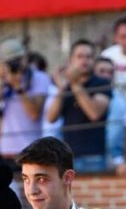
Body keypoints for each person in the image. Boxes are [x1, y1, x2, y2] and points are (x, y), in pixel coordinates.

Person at [46, 39, 111, 172]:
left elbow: (94, 113)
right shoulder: (66, 86)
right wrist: (62, 88)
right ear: (71, 60)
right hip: (68, 157)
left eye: (89, 57)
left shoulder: (101, 83)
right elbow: (51, 118)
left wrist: (75, 84)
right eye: (80, 56)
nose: (85, 60)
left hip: (94, 156)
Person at [0, 41, 50, 160]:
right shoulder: (3, 79)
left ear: (25, 58)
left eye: (17, 59)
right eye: (10, 61)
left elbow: (34, 114)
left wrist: (18, 87)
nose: (15, 64)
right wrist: (1, 81)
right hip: (6, 150)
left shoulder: (39, 78)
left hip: (31, 149)